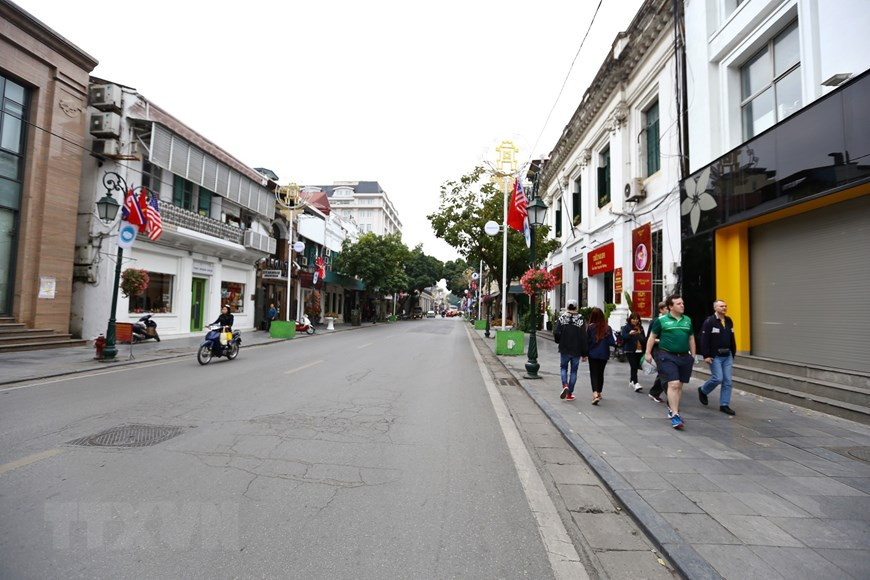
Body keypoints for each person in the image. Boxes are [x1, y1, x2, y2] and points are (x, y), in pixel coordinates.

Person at [645, 295, 696, 429]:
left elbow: (691, 338)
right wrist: (648, 353)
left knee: (679, 386)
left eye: (682, 303)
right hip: (667, 355)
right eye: (679, 304)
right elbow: (652, 337)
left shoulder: (688, 321)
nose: (682, 305)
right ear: (670, 307)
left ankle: (673, 408)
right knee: (673, 384)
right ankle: (675, 414)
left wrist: (693, 355)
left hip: (685, 357)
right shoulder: (661, 321)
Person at [698, 300, 737, 416]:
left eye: (725, 306)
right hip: (715, 356)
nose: (724, 308)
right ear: (715, 308)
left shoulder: (729, 320)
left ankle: (724, 405)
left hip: (727, 355)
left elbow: (732, 336)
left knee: (728, 381)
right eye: (721, 306)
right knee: (718, 378)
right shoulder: (709, 322)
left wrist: (733, 352)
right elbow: (704, 339)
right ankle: (703, 390)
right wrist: (706, 355)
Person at [553, 299, 589, 402]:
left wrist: (559, 340)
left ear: (567, 306)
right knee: (574, 371)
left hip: (564, 348)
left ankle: (565, 385)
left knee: (563, 368)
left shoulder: (562, 318)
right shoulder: (581, 319)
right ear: (576, 307)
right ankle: (569, 394)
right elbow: (583, 337)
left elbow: (556, 332)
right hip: (576, 350)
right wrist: (584, 353)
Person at [586, 307, 615, 405]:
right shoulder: (607, 328)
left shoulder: (590, 327)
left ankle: (595, 393)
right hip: (604, 354)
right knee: (600, 373)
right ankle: (599, 392)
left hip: (592, 354)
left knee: (593, 373)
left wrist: (584, 353)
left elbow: (587, 341)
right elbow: (612, 342)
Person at [647, 301, 670, 404]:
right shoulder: (655, 321)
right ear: (661, 310)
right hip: (658, 350)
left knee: (663, 372)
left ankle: (655, 392)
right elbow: (650, 338)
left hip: (669, 350)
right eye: (666, 309)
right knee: (664, 372)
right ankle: (669, 395)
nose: (668, 311)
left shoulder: (672, 321)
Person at [620, 312, 646, 393]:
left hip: (639, 349)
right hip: (630, 349)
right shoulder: (626, 327)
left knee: (636, 366)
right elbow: (623, 337)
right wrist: (630, 334)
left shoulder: (640, 328)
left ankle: (632, 380)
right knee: (634, 365)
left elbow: (644, 338)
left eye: (636, 319)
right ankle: (636, 383)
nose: (635, 321)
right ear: (630, 319)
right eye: (633, 319)